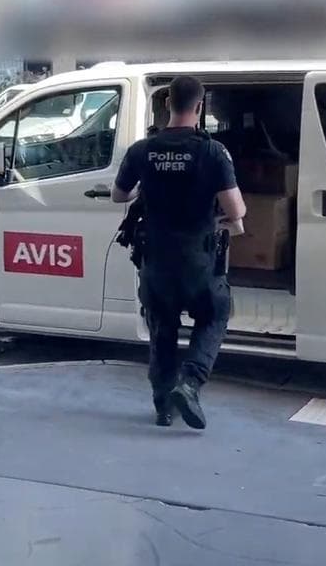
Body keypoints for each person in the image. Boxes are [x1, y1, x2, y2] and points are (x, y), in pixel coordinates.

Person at [112, 75, 246, 430]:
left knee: (162, 328)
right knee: (215, 314)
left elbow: (118, 195)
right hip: (199, 262)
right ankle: (190, 383)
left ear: (167, 103)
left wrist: (147, 189)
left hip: (155, 261)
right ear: (200, 108)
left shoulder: (142, 150)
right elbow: (237, 211)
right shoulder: (213, 152)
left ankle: (162, 406)